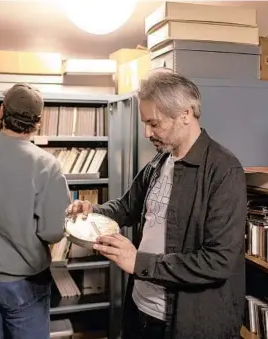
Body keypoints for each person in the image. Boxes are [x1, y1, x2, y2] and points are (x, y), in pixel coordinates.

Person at [68, 72, 247, 339]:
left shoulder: (224, 170)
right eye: (145, 123)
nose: (147, 133)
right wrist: (92, 211)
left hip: (186, 322)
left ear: (185, 114)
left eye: (154, 123)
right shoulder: (160, 161)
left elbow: (218, 262)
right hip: (141, 308)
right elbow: (127, 207)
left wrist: (139, 262)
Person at [0, 83, 70, 339]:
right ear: (38, 122)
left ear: (0, 111)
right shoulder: (47, 165)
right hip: (24, 284)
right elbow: (52, 232)